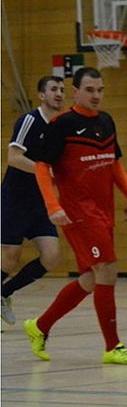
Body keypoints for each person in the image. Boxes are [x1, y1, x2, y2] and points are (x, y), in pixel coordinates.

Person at [23, 67, 127, 364]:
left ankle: (39, 326)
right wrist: (53, 206)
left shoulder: (106, 121)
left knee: (90, 278)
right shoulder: (61, 125)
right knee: (107, 269)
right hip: (78, 213)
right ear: (75, 91)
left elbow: (114, 163)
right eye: (89, 90)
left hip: (103, 211)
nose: (96, 96)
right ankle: (113, 346)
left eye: (100, 90)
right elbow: (41, 167)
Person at [2, 76, 65, 325]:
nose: (59, 93)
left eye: (61, 89)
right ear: (41, 95)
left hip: (40, 203)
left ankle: (4, 293)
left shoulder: (62, 126)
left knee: (51, 256)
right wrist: (46, 172)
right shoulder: (30, 120)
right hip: (14, 200)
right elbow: (14, 157)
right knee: (10, 258)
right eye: (53, 89)